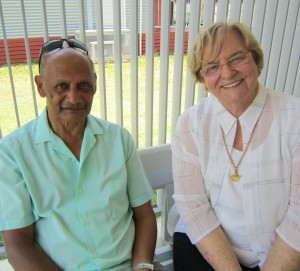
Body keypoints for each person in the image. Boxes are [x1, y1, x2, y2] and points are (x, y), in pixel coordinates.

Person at [0, 39, 157, 271]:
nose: (74, 98)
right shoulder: (13, 152)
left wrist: (143, 267)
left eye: (83, 85)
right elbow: (18, 245)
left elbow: (144, 216)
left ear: (95, 84)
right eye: (61, 86)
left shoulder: (118, 139)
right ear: (41, 86)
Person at [170, 21, 300, 271]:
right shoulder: (190, 124)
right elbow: (193, 206)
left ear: (255, 59)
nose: (227, 73)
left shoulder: (295, 118)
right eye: (212, 67)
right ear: (202, 77)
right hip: (208, 248)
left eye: (237, 58)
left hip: (284, 255)